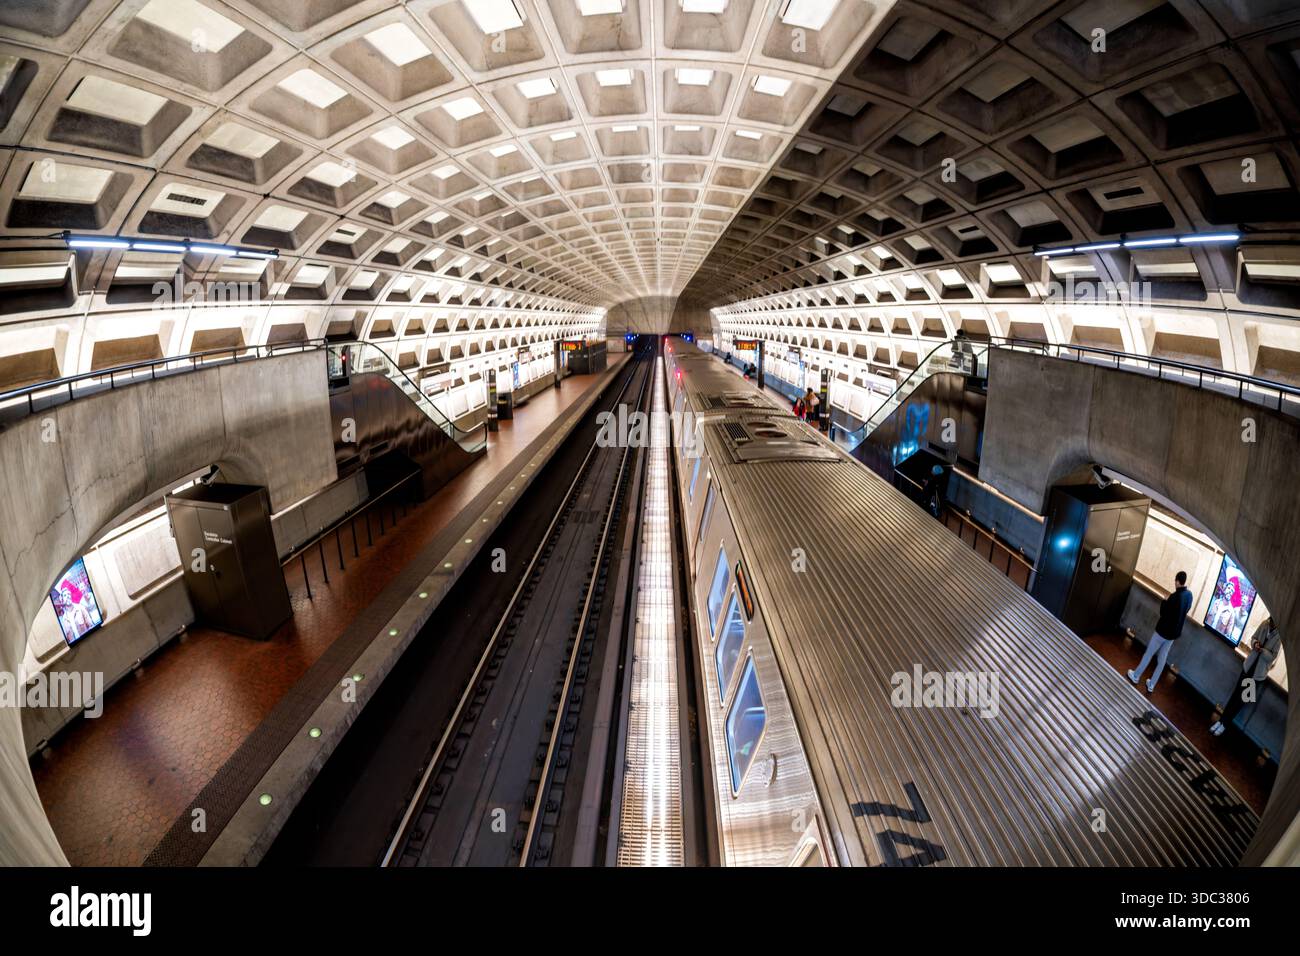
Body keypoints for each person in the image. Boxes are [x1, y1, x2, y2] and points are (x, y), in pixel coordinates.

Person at [1210, 616, 1282, 736]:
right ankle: (1221, 721)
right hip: (1248, 667)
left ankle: (1224, 725)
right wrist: (1255, 644)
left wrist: (1262, 650)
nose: (1271, 623)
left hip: (1257, 675)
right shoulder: (1264, 624)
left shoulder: (1279, 636)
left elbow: (1273, 657)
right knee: (1235, 696)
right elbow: (1253, 638)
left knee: (1241, 701)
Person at [1128, 571, 1194, 693]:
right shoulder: (1189, 595)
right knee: (1162, 659)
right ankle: (1152, 684)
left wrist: (1164, 600)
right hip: (1172, 635)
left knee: (1149, 654)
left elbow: (1163, 613)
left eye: (1175, 581)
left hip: (1162, 632)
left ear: (1177, 581)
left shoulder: (1174, 597)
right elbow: (1186, 609)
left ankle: (1136, 676)